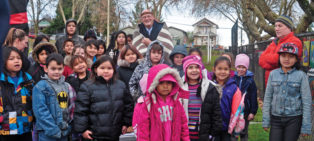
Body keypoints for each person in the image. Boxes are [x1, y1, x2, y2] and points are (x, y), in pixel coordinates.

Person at [74, 55, 133, 141]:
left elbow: (128, 106)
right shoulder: (87, 87)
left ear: (114, 70)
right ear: (95, 69)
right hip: (94, 135)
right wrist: (83, 130)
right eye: (102, 68)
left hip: (116, 133)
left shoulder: (121, 86)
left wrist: (126, 123)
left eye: (109, 68)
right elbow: (81, 111)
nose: (106, 71)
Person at [262, 43, 312, 141]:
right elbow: (267, 98)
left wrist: (306, 126)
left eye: (291, 56)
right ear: (279, 57)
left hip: (294, 119)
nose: (286, 59)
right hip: (276, 119)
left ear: (296, 59)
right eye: (283, 56)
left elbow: (307, 102)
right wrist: (266, 120)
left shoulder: (301, 76)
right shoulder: (273, 74)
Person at [132, 64, 190, 141]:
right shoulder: (148, 104)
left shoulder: (177, 102)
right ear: (154, 84)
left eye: (169, 83)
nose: (165, 86)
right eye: (161, 83)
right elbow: (143, 129)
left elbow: (183, 125)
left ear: (173, 84)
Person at [32, 53, 76, 141]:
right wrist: (53, 130)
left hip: (64, 131)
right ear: (46, 69)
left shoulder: (67, 86)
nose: (57, 72)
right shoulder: (40, 87)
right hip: (47, 133)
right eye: (53, 69)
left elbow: (71, 107)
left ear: (63, 68)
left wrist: (68, 127)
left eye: (59, 69)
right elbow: (40, 112)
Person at [181, 55, 222, 140]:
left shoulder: (209, 88)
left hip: (204, 133)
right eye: (190, 67)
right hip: (185, 133)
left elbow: (216, 113)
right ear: (185, 70)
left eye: (197, 67)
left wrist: (213, 133)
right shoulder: (180, 87)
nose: (194, 70)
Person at [0, 47, 34, 141]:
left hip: (25, 128)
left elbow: (33, 101)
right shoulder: (1, 80)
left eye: (18, 58)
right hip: (5, 129)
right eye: (11, 59)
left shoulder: (27, 78)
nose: (16, 61)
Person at [259, 15, 302, 86]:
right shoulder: (275, 42)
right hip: (270, 84)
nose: (276, 29)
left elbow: (278, 60)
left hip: (287, 84)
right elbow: (261, 60)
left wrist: (268, 62)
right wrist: (273, 64)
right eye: (275, 26)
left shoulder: (294, 41)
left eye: (280, 26)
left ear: (289, 27)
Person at [212, 56, 243, 141]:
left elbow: (236, 110)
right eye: (219, 69)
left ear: (230, 71)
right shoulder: (210, 86)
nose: (222, 72)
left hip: (227, 128)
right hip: (212, 127)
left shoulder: (234, 88)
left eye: (225, 69)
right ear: (214, 69)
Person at [232, 54, 258, 141]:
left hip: (245, 111)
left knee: (243, 132)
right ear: (236, 67)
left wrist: (252, 112)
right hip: (234, 111)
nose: (241, 69)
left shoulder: (250, 81)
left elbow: (253, 97)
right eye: (239, 67)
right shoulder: (232, 79)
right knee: (232, 132)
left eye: (243, 67)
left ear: (247, 68)